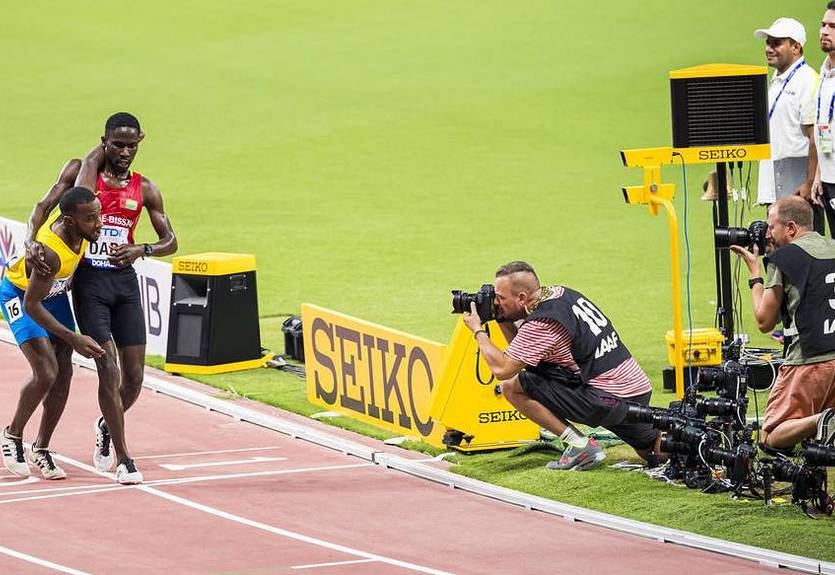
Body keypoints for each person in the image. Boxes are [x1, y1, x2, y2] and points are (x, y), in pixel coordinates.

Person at [26, 113, 177, 484]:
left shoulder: (146, 189)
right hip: (90, 282)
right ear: (105, 142)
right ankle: (125, 459)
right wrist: (31, 240)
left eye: (133, 145)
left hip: (124, 283)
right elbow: (44, 205)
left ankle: (108, 424)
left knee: (135, 378)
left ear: (141, 142)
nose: (126, 152)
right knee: (107, 366)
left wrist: (141, 249)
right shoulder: (85, 177)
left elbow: (171, 241)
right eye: (118, 144)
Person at [461, 261, 662, 471]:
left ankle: (579, 445)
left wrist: (478, 330)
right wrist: (500, 316)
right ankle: (694, 445)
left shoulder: (543, 323)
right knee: (653, 451)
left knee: (512, 385)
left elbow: (503, 369)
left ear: (521, 298)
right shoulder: (559, 294)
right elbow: (522, 350)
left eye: (501, 299)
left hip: (607, 397)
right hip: (632, 388)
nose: (496, 302)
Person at [1, 159, 105, 479]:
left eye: (99, 215)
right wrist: (73, 337)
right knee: (46, 371)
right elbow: (33, 305)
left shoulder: (77, 214)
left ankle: (41, 448)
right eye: (91, 220)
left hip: (54, 293)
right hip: (20, 295)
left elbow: (41, 206)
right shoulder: (49, 254)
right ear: (70, 221)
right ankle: (12, 435)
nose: (98, 224)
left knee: (64, 372)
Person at [730, 196, 835, 449]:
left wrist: (755, 274)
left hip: (809, 360)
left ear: (790, 228)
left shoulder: (785, 258)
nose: (767, 235)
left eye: (771, 227)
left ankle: (823, 419)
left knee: (772, 436)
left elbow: (765, 321)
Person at [753, 18, 824, 234]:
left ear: (796, 47)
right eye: (768, 43)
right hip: (777, 180)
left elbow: (815, 138)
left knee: (802, 252)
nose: (769, 48)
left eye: (776, 43)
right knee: (778, 252)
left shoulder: (807, 80)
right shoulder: (777, 80)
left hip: (796, 185)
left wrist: (809, 183)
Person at [808, 3, 835, 238]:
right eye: (823, 24)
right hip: (828, 179)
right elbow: (823, 126)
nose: (825, 31)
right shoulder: (825, 72)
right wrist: (818, 175)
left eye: (833, 26)